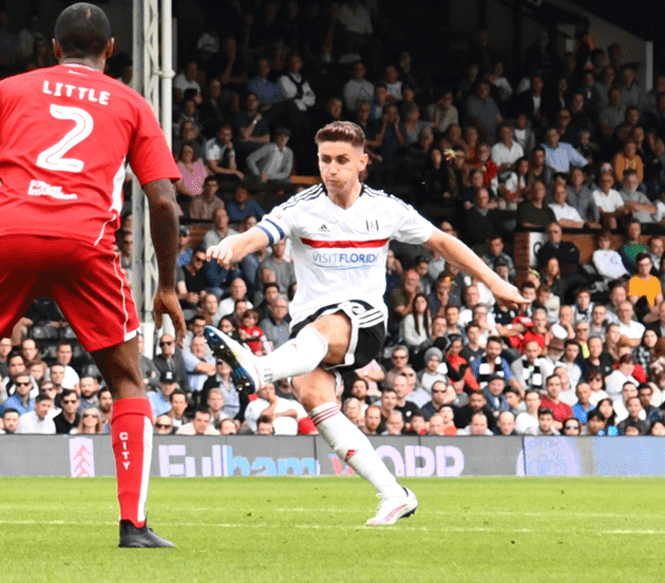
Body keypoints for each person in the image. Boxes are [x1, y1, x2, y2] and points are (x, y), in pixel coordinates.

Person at [0, 4, 184, 550]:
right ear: (110, 50)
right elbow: (163, 201)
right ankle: (134, 525)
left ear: (53, 48)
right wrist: (166, 285)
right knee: (126, 380)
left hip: (13, 237)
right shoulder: (132, 103)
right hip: (86, 245)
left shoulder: (12, 88)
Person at [201, 121, 526, 526]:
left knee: (323, 330)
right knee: (316, 402)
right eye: (324, 160)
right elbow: (256, 235)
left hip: (363, 320)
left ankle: (259, 368)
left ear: (362, 162)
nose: (332, 169)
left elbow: (443, 243)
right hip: (310, 330)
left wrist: (495, 282)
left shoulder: (385, 209)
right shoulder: (300, 208)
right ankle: (394, 494)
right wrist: (228, 246)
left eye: (341, 160)